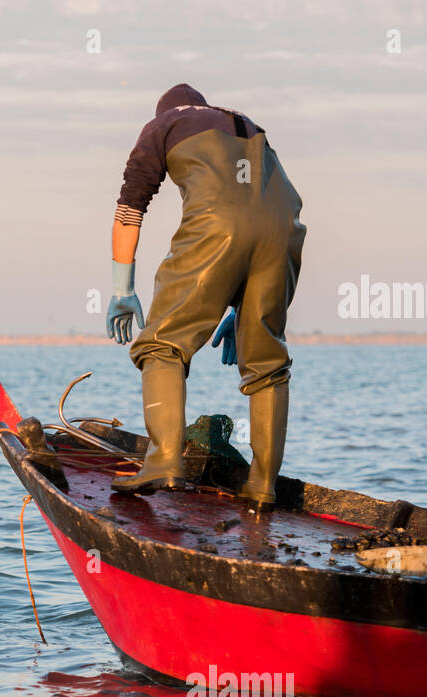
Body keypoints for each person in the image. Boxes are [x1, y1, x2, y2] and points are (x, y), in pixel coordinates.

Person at [105, 83, 306, 510]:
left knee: (162, 343)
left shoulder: (163, 123)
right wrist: (243, 304)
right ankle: (263, 486)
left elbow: (130, 208)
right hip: (283, 230)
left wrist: (123, 289)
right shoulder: (248, 126)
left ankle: (162, 462)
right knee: (267, 363)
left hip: (218, 227)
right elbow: (260, 208)